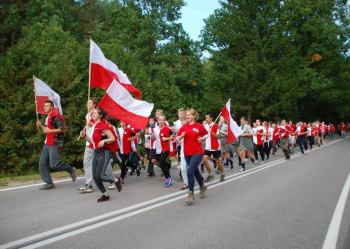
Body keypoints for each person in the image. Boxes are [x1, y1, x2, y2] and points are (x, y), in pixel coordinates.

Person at [36, 100, 76, 190]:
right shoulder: (48, 117)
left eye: (47, 106)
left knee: (54, 165)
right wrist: (41, 125)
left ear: (52, 107)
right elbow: (46, 130)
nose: (45, 107)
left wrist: (50, 131)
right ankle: (49, 183)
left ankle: (70, 169)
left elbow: (63, 128)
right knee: (42, 163)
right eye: (44, 106)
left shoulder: (55, 117)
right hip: (47, 143)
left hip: (54, 143)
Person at [176, 108, 208, 205]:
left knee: (189, 170)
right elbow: (177, 138)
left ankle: (191, 193)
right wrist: (180, 137)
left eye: (190, 115)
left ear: (194, 116)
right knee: (194, 171)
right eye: (187, 115)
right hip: (187, 153)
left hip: (197, 152)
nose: (187, 116)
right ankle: (202, 186)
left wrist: (202, 138)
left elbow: (207, 134)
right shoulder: (184, 127)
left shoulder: (199, 126)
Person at [79, 99, 96, 193]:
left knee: (101, 168)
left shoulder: (97, 114)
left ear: (94, 105)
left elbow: (100, 126)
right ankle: (89, 184)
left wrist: (92, 124)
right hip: (88, 142)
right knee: (86, 163)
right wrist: (84, 133)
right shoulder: (87, 115)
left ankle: (114, 181)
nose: (88, 104)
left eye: (90, 102)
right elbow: (88, 128)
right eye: (87, 102)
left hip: (96, 142)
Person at [203, 113, 225, 182]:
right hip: (207, 146)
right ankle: (211, 174)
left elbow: (218, 136)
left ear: (211, 118)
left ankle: (222, 174)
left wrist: (211, 132)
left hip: (215, 146)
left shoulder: (215, 126)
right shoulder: (205, 126)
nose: (206, 119)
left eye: (208, 117)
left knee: (218, 161)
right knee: (204, 159)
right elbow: (203, 135)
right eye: (206, 117)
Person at [158, 114, 174, 187]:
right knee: (162, 163)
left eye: (162, 120)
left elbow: (173, 136)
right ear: (158, 121)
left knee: (161, 163)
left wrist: (167, 138)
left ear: (164, 121)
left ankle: (168, 178)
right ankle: (168, 164)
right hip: (161, 149)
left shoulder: (167, 129)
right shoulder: (158, 128)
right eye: (160, 120)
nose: (161, 121)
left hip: (167, 148)